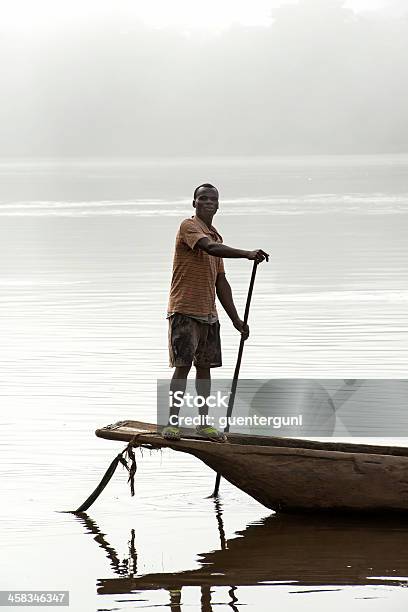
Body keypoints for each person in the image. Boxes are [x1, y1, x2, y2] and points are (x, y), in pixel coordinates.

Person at [162, 183, 269, 441]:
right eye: (203, 198)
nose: (208, 202)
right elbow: (208, 248)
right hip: (185, 309)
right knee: (183, 366)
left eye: (213, 199)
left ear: (218, 205)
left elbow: (221, 282)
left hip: (209, 314)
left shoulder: (216, 236)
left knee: (205, 368)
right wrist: (246, 254)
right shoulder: (189, 227)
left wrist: (236, 319)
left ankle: (203, 423)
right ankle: (172, 422)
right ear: (194, 203)